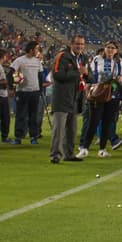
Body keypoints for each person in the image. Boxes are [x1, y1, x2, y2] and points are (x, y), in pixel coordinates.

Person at [82, 41, 122, 157]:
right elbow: (91, 75)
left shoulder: (120, 62)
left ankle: (102, 149)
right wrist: (90, 87)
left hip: (113, 94)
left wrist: (120, 79)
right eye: (108, 47)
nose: (110, 50)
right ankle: (84, 148)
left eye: (113, 48)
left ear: (116, 50)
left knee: (108, 122)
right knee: (93, 121)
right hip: (98, 93)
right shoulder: (97, 59)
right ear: (104, 48)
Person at [48, 35, 87, 163]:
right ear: (71, 44)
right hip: (62, 98)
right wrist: (78, 73)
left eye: (82, 44)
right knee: (59, 129)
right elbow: (58, 74)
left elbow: (89, 76)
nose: (80, 47)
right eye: (77, 44)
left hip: (75, 98)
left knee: (72, 129)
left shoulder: (82, 58)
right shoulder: (63, 56)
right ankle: (55, 155)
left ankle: (69, 154)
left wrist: (86, 74)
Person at [10, 42, 44, 145]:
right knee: (21, 115)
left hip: (34, 92)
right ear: (31, 50)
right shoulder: (20, 60)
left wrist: (40, 90)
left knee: (33, 115)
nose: (38, 51)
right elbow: (11, 72)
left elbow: (40, 76)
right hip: (22, 91)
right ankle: (18, 137)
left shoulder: (37, 62)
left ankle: (33, 136)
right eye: (36, 49)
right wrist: (12, 85)